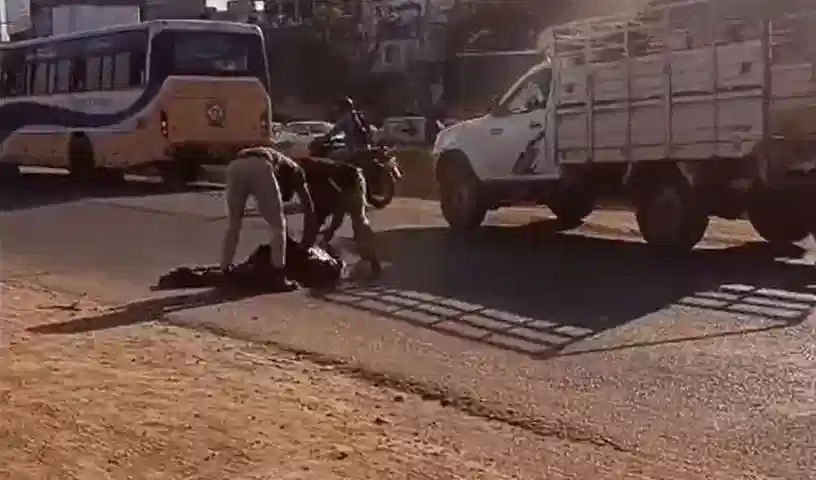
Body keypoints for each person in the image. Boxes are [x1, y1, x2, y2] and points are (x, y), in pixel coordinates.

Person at [220, 146, 317, 289]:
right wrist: (307, 241)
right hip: (260, 164)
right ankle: (279, 276)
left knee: (234, 224)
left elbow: (263, 204)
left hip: (235, 165)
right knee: (278, 225)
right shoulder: (296, 171)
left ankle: (225, 267)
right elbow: (308, 206)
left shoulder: (281, 167)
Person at [296, 154, 382, 278]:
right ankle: (372, 260)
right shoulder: (302, 170)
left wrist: (323, 234)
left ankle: (373, 260)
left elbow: (333, 204)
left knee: (358, 221)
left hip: (352, 180)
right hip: (347, 180)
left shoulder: (304, 173)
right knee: (353, 221)